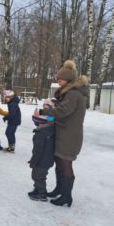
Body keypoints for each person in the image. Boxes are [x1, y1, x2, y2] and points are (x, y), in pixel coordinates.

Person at [38, 60, 89, 207]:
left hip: (70, 136)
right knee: (60, 163)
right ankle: (59, 189)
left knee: (66, 164)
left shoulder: (73, 93)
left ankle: (67, 196)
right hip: (65, 134)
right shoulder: (70, 93)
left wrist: (45, 110)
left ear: (67, 80)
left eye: (60, 79)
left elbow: (63, 111)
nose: (58, 81)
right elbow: (64, 109)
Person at [28, 102, 55, 201]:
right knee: (38, 175)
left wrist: (33, 161)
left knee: (38, 176)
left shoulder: (41, 133)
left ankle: (41, 194)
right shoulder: (50, 129)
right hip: (46, 159)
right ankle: (37, 189)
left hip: (42, 160)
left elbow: (38, 150)